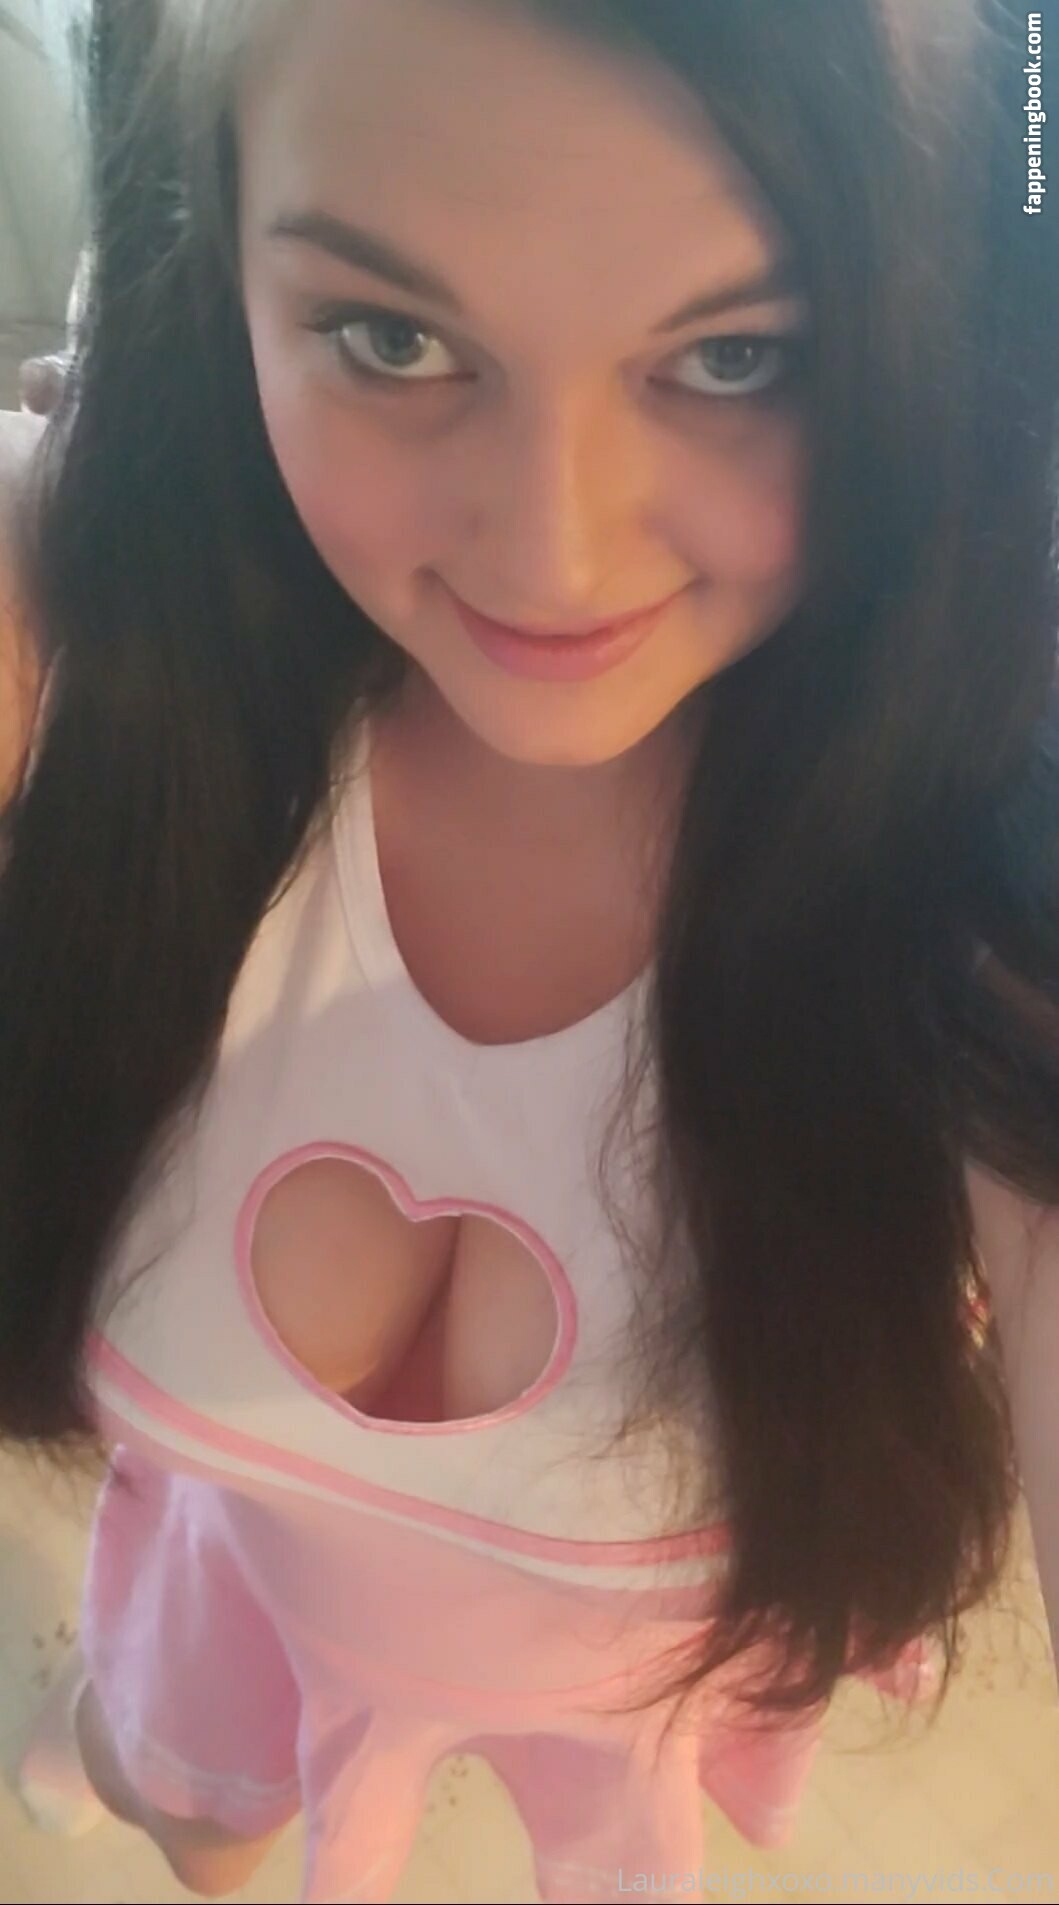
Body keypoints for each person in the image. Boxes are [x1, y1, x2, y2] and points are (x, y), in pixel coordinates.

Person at [1, 1, 1057, 1900]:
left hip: (626, 1678)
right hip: (239, 1582)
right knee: (199, 1824)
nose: (554, 557)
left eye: (737, 354)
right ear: (211, 263)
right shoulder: (99, 644)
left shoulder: (962, 860)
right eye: (391, 337)